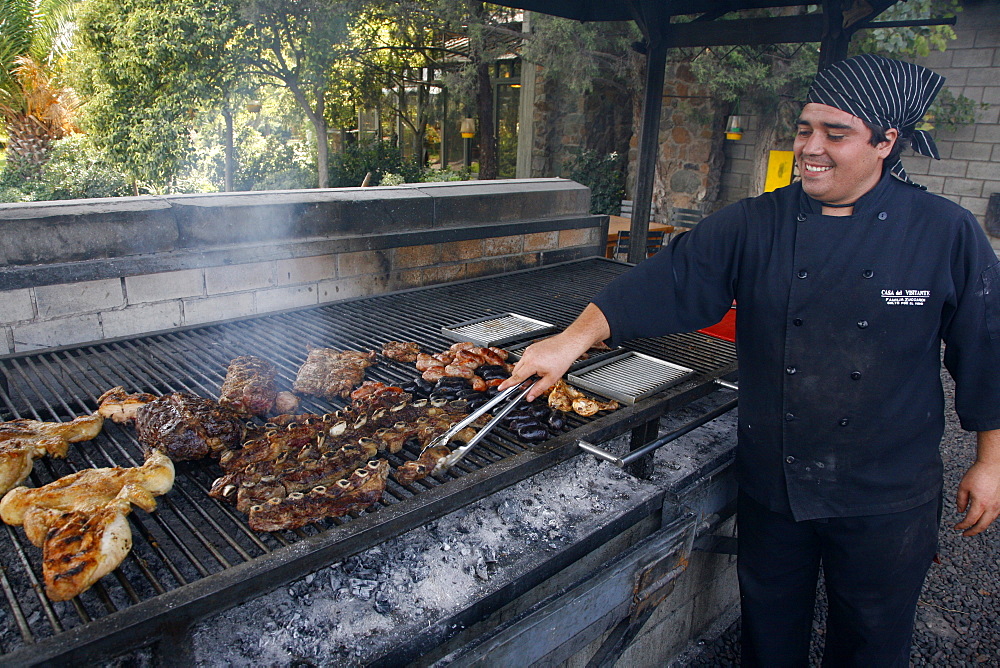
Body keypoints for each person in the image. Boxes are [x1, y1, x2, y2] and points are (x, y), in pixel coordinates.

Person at [500, 54, 1000, 666]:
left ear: (885, 141)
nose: (810, 148)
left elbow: (986, 346)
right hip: (775, 481)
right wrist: (570, 340)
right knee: (768, 631)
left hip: (886, 491)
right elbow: (672, 278)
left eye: (834, 134)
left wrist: (990, 462)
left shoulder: (943, 231)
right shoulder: (756, 222)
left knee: (873, 639)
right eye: (804, 130)